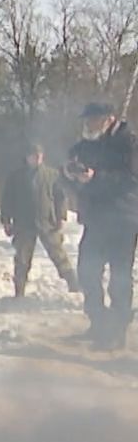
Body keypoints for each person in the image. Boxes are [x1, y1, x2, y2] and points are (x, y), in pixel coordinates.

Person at [64, 101, 138, 350]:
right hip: (96, 219)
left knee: (119, 277)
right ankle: (99, 322)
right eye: (87, 120)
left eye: (93, 119)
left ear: (109, 119)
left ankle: (117, 332)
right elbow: (77, 176)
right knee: (87, 271)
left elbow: (131, 180)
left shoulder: (129, 142)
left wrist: (96, 177)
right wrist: (71, 175)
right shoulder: (88, 144)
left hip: (123, 218)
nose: (88, 124)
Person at [0, 142, 77, 298]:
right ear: (27, 157)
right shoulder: (16, 177)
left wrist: (60, 217)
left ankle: (73, 284)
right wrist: (6, 220)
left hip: (47, 222)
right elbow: (7, 200)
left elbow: (60, 198)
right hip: (23, 223)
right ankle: (19, 291)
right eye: (33, 156)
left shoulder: (52, 175)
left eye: (39, 155)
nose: (36, 158)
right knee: (22, 259)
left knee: (59, 255)